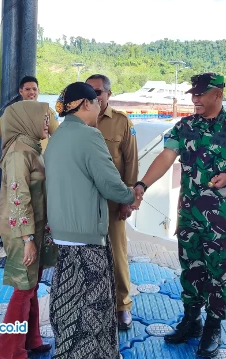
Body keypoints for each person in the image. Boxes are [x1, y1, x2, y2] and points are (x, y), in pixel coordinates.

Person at [133, 73, 226, 358]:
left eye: (201, 94)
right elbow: (167, 157)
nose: (195, 99)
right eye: (193, 94)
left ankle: (213, 326)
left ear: (218, 94)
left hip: (220, 217)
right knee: (190, 267)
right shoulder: (186, 126)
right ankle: (191, 320)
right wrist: (143, 184)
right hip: (189, 213)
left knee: (219, 270)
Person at [44, 82, 139, 359]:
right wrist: (130, 194)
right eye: (96, 102)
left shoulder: (57, 136)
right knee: (92, 309)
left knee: (68, 302)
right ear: (85, 104)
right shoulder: (90, 136)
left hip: (62, 235)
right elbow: (110, 184)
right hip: (86, 237)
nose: (100, 106)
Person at [0, 76, 58, 246]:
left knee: (38, 204)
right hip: (16, 164)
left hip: (41, 166)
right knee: (12, 202)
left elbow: (58, 135)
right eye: (28, 89)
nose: (32, 92)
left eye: (35, 89)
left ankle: (37, 242)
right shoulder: (12, 112)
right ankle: (8, 238)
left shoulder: (46, 111)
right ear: (21, 91)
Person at [0, 101, 52, 359]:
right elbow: (19, 196)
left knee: (31, 285)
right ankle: (9, 352)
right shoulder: (19, 152)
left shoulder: (31, 147)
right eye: (44, 119)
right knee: (23, 288)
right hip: (22, 231)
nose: (47, 124)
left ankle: (31, 339)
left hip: (33, 228)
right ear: (27, 120)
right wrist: (27, 238)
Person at [86, 74, 138, 330]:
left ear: (108, 94)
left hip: (112, 200)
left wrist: (128, 199)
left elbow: (131, 162)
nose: (93, 95)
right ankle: (90, 302)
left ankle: (122, 306)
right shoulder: (76, 121)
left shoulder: (122, 122)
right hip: (82, 200)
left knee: (117, 253)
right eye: (88, 91)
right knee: (84, 253)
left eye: (97, 91)